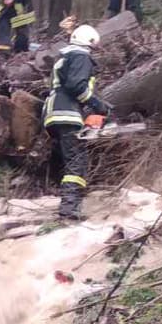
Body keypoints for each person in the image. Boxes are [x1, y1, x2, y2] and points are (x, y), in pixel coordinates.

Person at [42, 23, 110, 221]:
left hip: (55, 112)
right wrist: (98, 105)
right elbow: (76, 86)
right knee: (76, 161)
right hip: (67, 113)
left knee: (69, 158)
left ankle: (67, 203)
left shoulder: (67, 56)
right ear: (89, 42)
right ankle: (69, 210)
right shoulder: (80, 56)